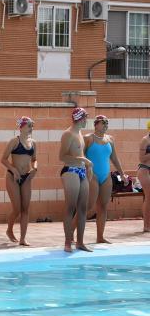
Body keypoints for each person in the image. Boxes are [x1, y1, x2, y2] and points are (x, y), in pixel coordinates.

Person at [83, 115, 128, 243]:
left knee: (103, 206)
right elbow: (80, 156)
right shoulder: (88, 138)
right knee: (87, 206)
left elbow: (114, 158)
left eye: (107, 124)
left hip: (106, 176)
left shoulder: (110, 139)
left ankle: (100, 237)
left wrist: (122, 174)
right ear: (96, 124)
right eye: (103, 123)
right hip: (93, 175)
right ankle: (72, 234)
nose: (105, 126)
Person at [59, 108, 93, 253]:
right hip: (70, 171)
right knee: (70, 207)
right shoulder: (68, 134)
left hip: (81, 171)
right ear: (79, 118)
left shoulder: (79, 133)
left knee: (83, 208)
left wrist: (86, 165)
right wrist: (81, 159)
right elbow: (62, 156)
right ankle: (68, 242)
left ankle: (80, 242)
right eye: (85, 118)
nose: (87, 120)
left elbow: (79, 153)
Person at [0, 116, 37, 246]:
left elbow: (34, 159)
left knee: (25, 209)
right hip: (13, 177)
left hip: (26, 177)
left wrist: (35, 168)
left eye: (32, 126)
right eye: (29, 126)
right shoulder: (14, 141)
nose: (31, 128)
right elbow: (3, 159)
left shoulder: (33, 143)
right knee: (17, 208)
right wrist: (13, 169)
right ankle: (9, 230)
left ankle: (23, 238)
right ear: (21, 127)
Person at [138, 120, 150, 232]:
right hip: (145, 169)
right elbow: (141, 158)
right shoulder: (145, 140)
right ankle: (146, 226)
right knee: (149, 197)